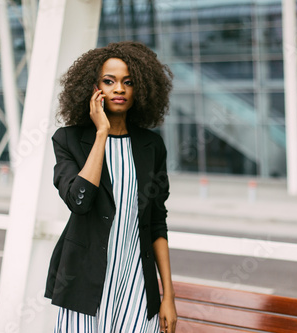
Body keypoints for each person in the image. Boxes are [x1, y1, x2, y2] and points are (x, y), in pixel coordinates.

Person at [44, 41, 177, 333]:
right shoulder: (68, 140)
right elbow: (79, 200)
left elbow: (157, 224)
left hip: (137, 284)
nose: (119, 89)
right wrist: (102, 132)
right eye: (109, 81)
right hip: (84, 284)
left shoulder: (151, 146)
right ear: (93, 88)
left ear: (139, 88)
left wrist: (168, 295)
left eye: (128, 82)